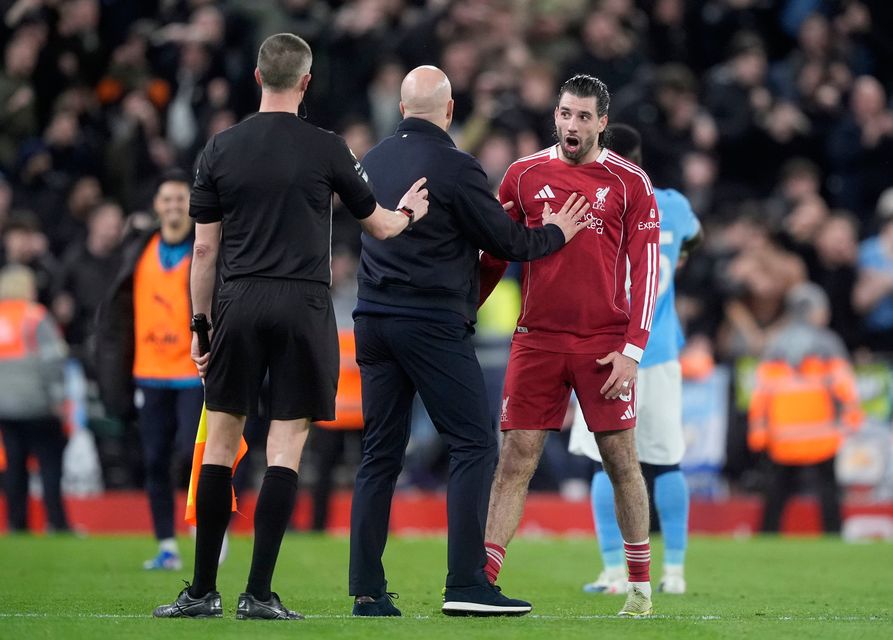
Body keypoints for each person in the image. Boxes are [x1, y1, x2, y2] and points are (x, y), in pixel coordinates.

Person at [153, 33, 430, 620]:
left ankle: (202, 590)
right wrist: (408, 212)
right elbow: (378, 225)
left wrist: (201, 325)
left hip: (239, 299)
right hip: (304, 304)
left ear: (257, 76)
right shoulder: (327, 147)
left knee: (223, 444)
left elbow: (204, 252)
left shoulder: (219, 149)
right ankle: (258, 593)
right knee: (285, 448)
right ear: (306, 82)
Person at [349, 65, 588, 618]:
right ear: (450, 111)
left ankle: (366, 590)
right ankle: (465, 582)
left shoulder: (373, 160)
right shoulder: (456, 168)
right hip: (430, 323)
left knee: (379, 455)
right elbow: (506, 241)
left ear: (403, 109)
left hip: (373, 319)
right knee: (474, 444)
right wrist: (556, 231)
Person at [480, 75, 660, 617]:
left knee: (621, 460)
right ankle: (485, 581)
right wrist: (463, 306)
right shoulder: (523, 175)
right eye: (565, 114)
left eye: (583, 117)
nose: (571, 125)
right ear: (555, 115)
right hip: (537, 339)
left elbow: (646, 269)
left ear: (602, 122)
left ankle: (639, 587)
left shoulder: (630, 183)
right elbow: (494, 254)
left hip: (604, 343)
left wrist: (633, 350)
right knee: (515, 458)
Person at [567, 124, 702, 596]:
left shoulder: (593, 203)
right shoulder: (675, 206)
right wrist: (678, 254)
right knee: (666, 463)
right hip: (660, 351)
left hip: (607, 350)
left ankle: (611, 571)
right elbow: (694, 241)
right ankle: (676, 573)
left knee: (607, 461)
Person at [94, 170, 204, 571]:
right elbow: (115, 315)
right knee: (155, 459)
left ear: (191, 208)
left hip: (193, 374)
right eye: (167, 200)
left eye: (181, 200)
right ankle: (166, 545)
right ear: (157, 207)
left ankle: (205, 528)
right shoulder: (137, 253)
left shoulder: (207, 251)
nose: (174, 207)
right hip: (149, 372)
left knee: (194, 457)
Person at [749, 283, 862, 533]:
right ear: (813, 311)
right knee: (828, 491)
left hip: (782, 438)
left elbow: (761, 393)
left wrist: (758, 432)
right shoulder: (828, 343)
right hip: (822, 436)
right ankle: (833, 535)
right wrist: (852, 419)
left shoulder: (775, 345)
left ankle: (767, 536)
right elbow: (844, 386)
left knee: (776, 493)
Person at [0, 265, 70, 533]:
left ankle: (16, 523)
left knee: (15, 466)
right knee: (50, 464)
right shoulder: (35, 317)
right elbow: (52, 361)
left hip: (5, 407)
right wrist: (58, 400)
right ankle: (56, 521)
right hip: (37, 404)